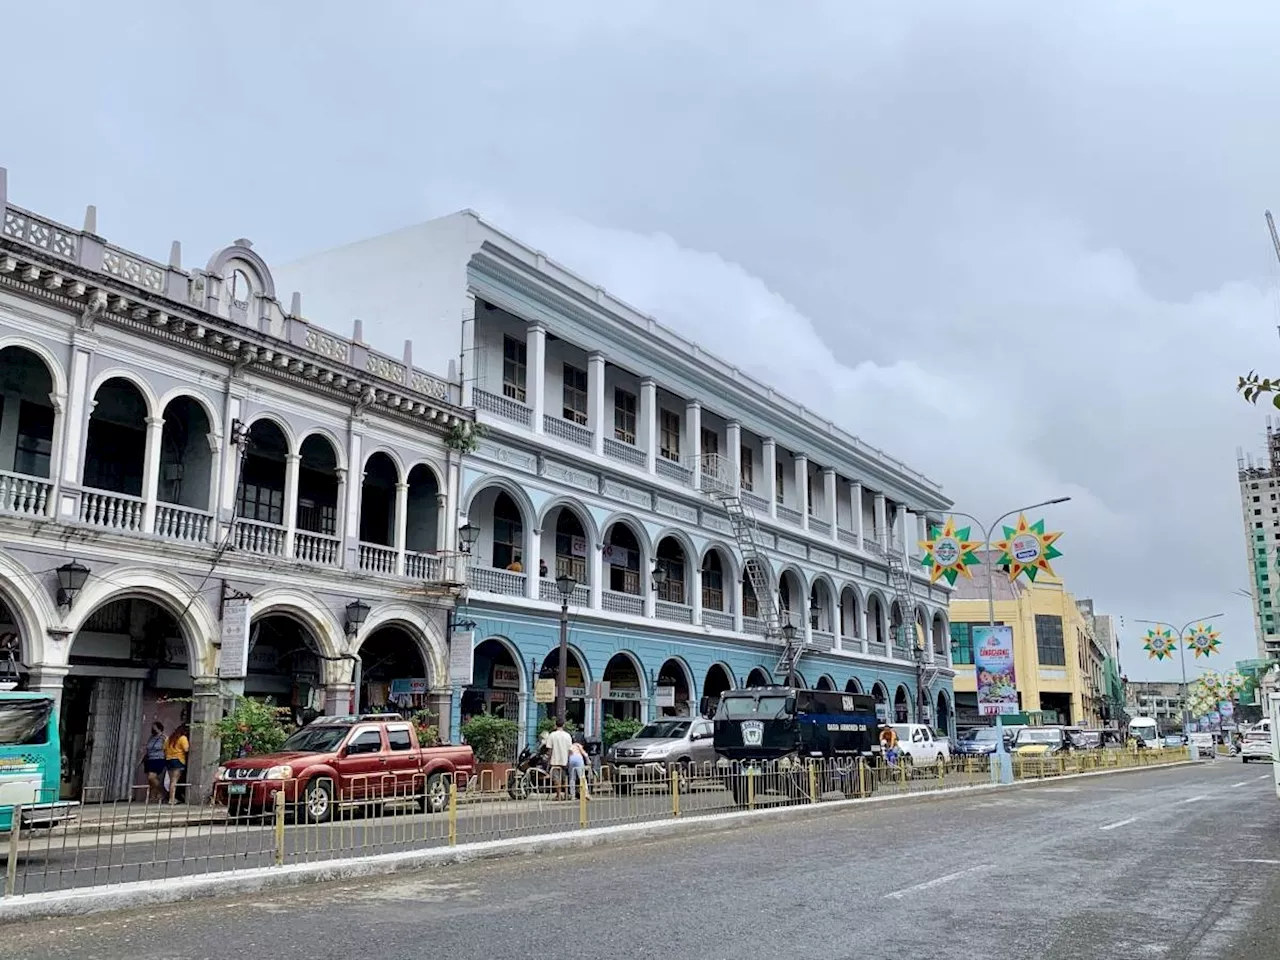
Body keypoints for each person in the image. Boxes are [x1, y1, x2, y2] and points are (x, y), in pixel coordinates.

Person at [546, 719, 573, 800]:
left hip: (555, 761)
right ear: (563, 725)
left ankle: (558, 795)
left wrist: (548, 759)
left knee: (556, 779)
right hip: (564, 761)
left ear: (555, 725)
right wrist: (568, 760)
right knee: (565, 778)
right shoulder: (567, 735)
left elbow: (549, 749)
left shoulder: (552, 735)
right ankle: (566, 795)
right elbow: (570, 750)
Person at [164, 723, 190, 805]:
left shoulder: (169, 739)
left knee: (171, 780)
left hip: (168, 760)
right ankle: (171, 799)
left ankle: (171, 798)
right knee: (174, 781)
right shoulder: (183, 738)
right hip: (178, 760)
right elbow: (186, 749)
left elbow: (164, 749)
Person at [143, 722, 166, 802]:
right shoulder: (151, 737)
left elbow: (167, 748)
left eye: (154, 727)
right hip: (150, 759)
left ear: (159, 728)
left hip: (159, 759)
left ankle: (161, 792)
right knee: (150, 780)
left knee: (151, 777)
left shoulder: (163, 738)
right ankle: (153, 795)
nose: (153, 729)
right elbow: (147, 748)